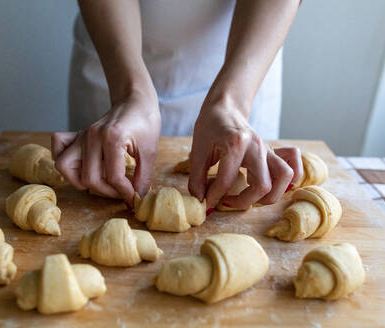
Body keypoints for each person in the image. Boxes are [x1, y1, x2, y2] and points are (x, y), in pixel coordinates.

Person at [52, 0, 303, 213]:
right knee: (102, 176)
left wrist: (233, 102)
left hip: (246, 54)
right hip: (112, 46)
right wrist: (129, 92)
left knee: (242, 177)